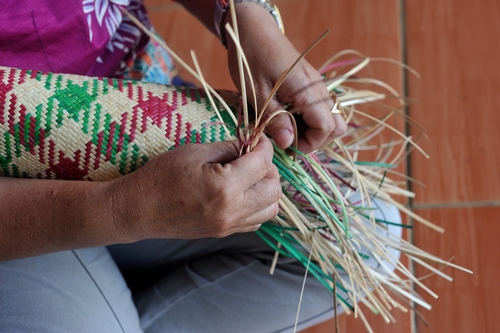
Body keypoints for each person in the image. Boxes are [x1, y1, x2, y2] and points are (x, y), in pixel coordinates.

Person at [0, 0, 355, 332]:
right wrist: (124, 210)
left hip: (141, 99)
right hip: (20, 209)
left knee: (355, 242)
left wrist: (247, 17)